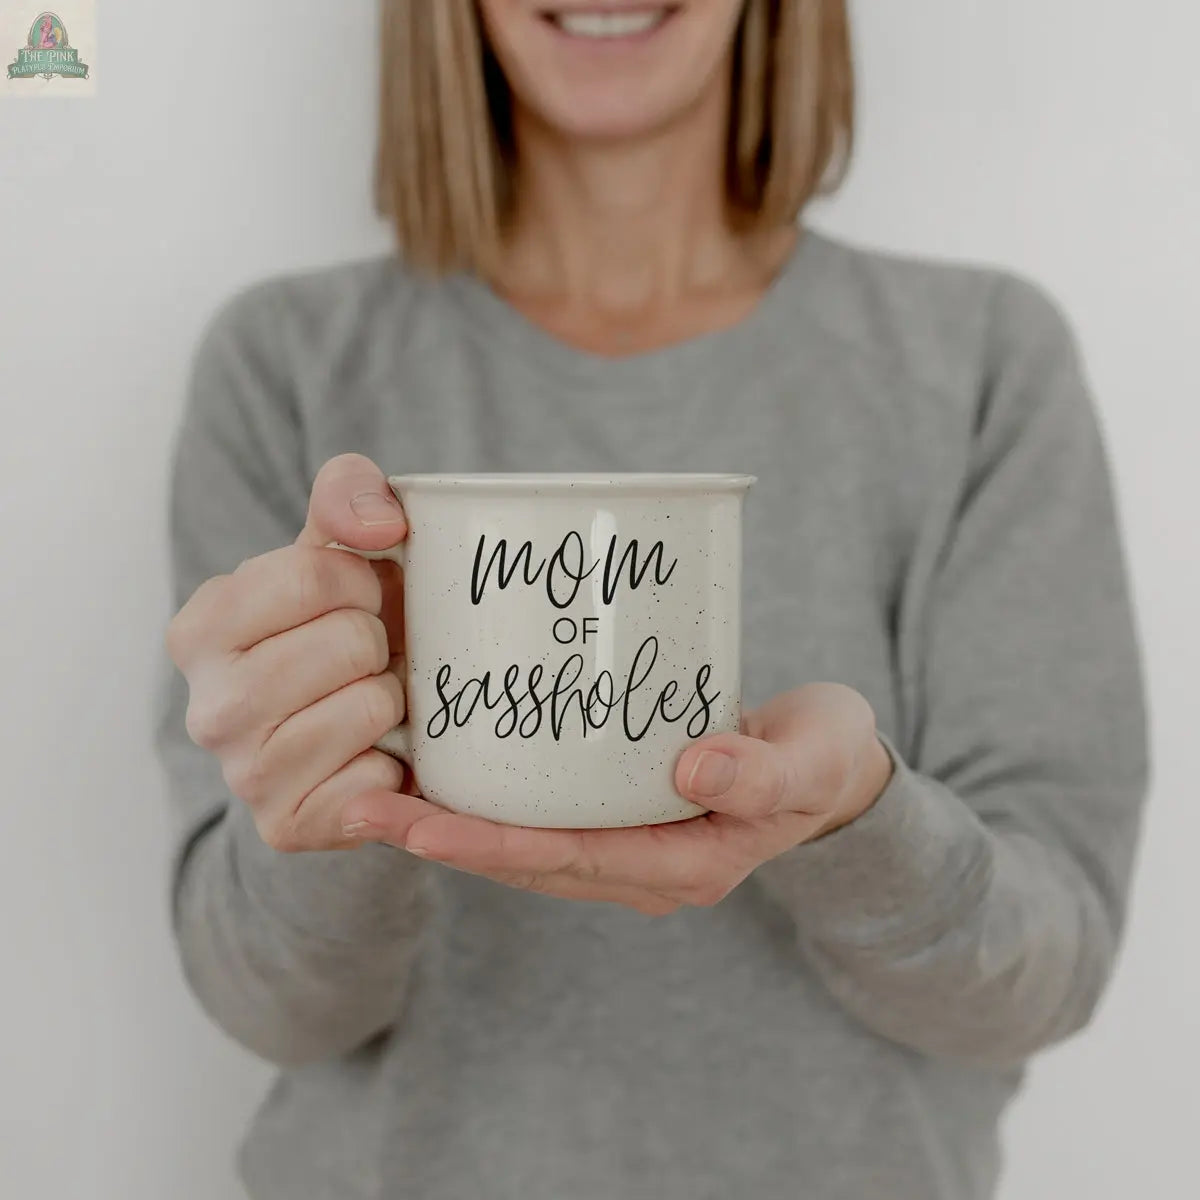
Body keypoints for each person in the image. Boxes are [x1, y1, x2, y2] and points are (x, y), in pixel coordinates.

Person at [156, 2, 1149, 1198]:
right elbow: (270, 1005)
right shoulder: (285, 366)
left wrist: (856, 823)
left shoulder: (983, 361)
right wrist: (334, 804)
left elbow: (1049, 974)